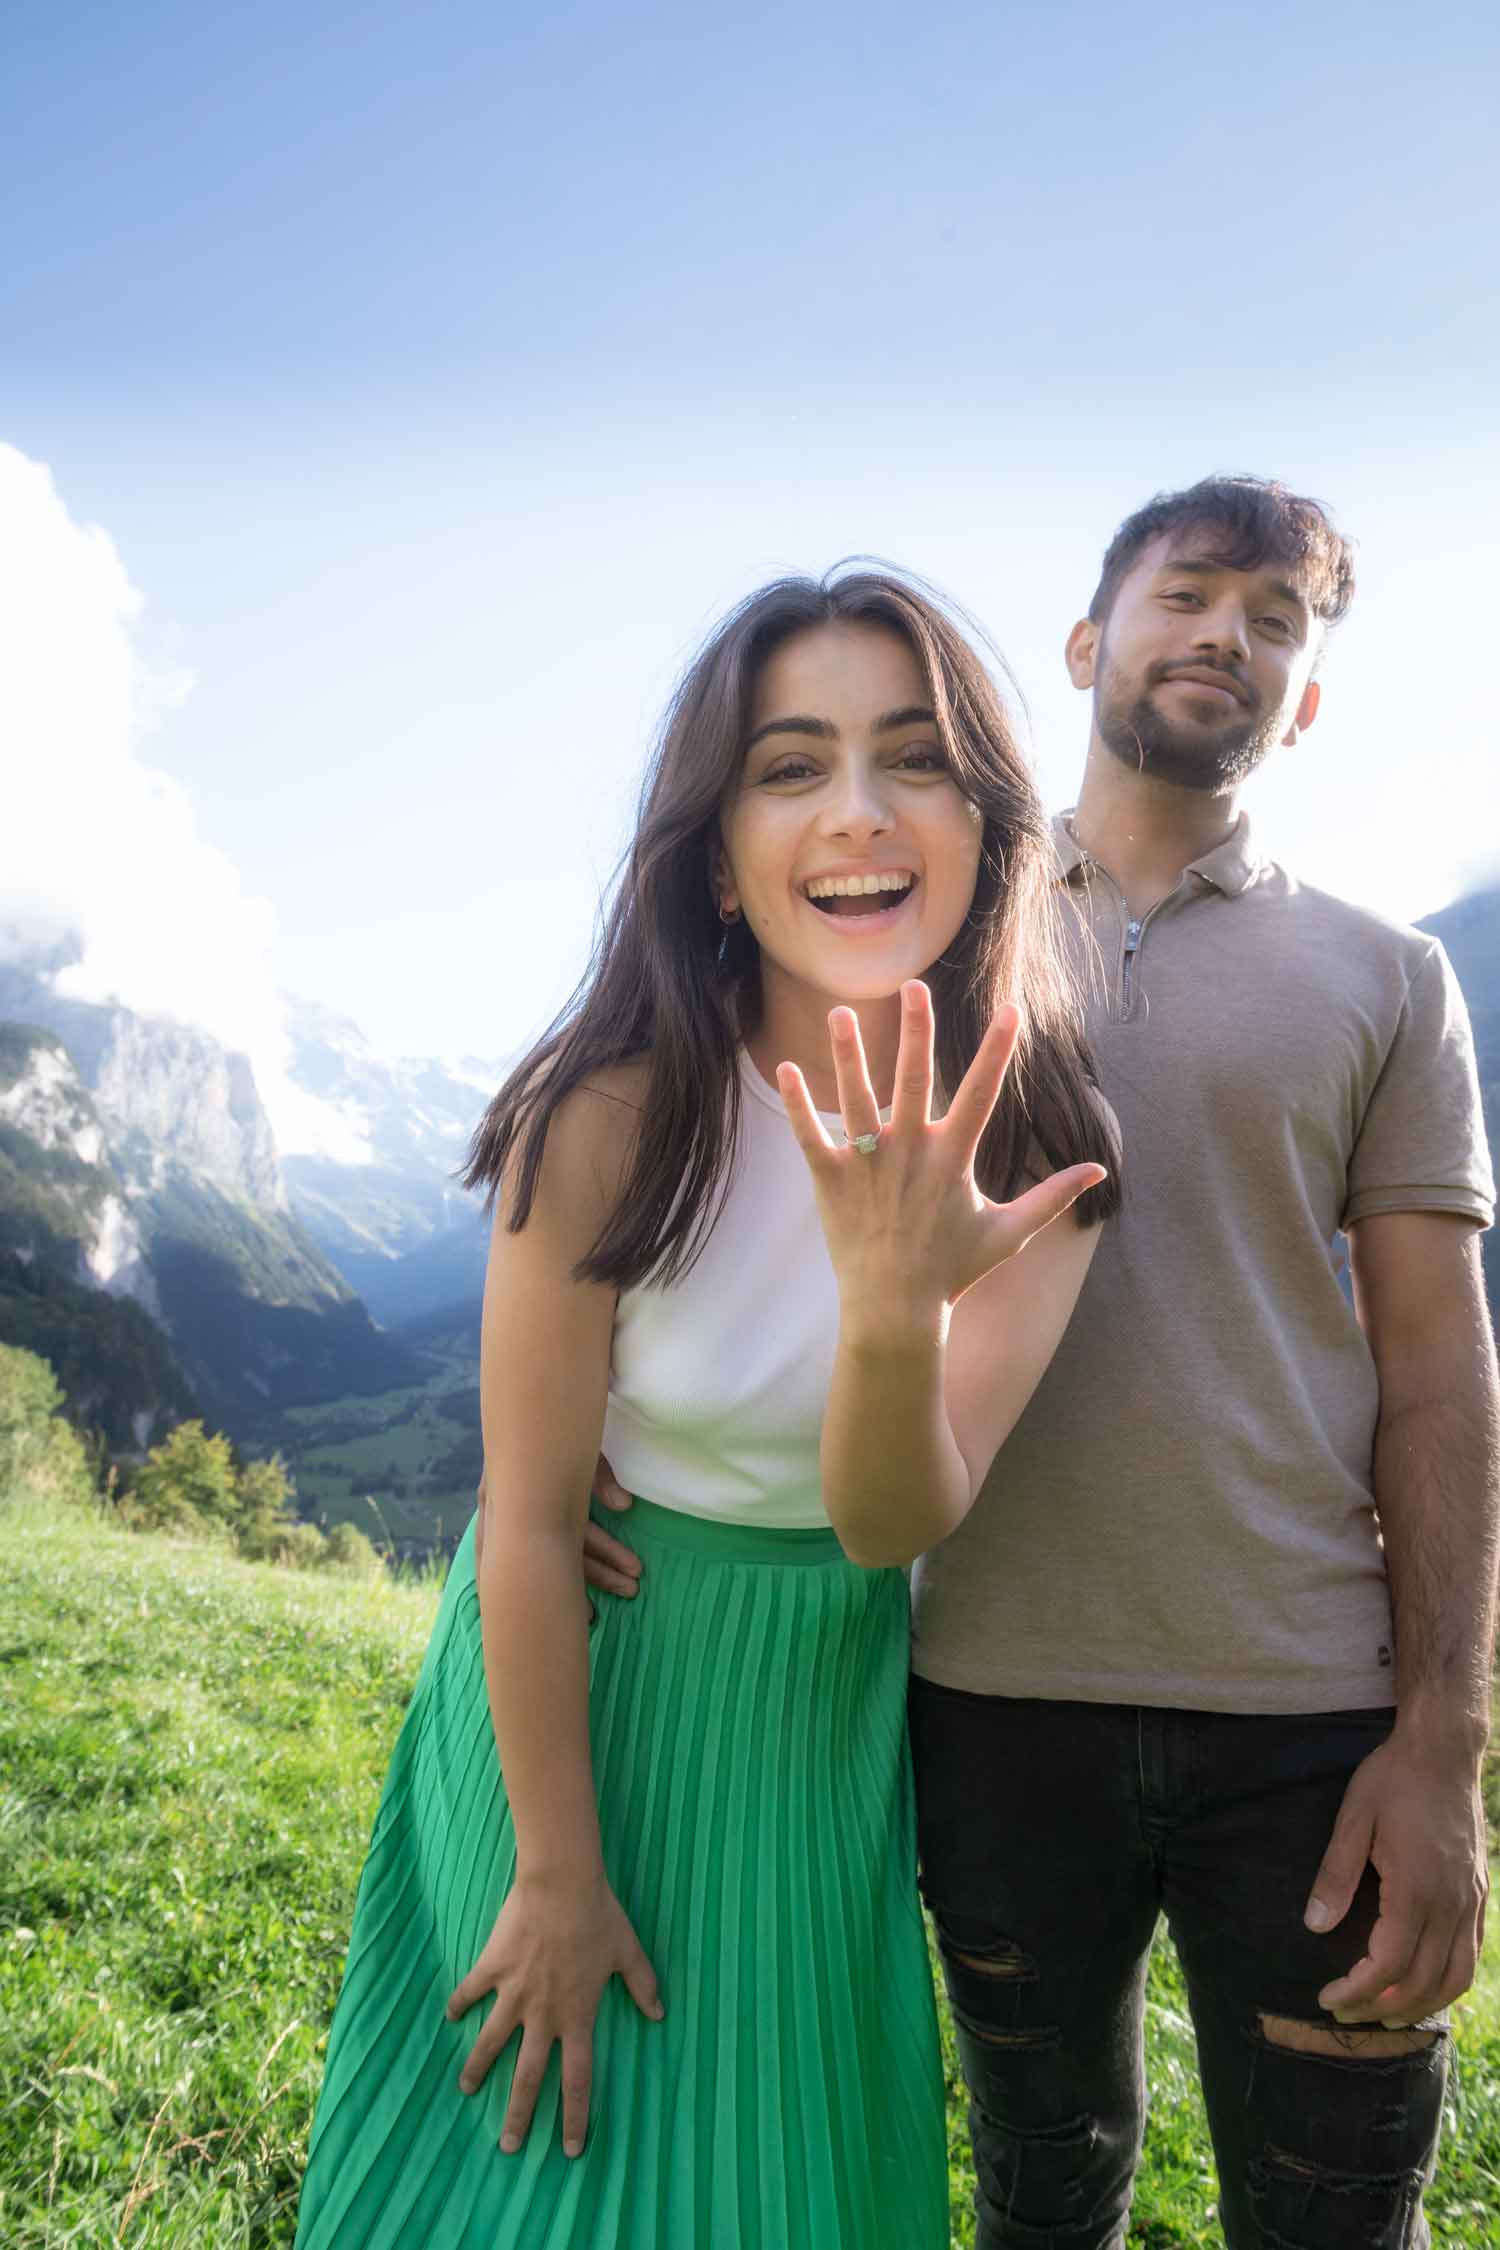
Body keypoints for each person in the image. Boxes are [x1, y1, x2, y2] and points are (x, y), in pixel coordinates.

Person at [586, 478, 1499, 2248]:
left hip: (1308, 1716)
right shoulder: (909, 920)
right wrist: (589, 1419)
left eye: (1277, 618)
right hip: (992, 1701)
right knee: (1039, 2191)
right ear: (1088, 645)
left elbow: (1443, 1371)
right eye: (1186, 592)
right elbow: (700, 1152)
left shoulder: (1387, 980)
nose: (1225, 632)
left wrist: (1446, 1738)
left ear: (1305, 697)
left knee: (1337, 2211)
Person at [292, 568, 1118, 2250]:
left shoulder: (1042, 1138)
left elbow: (892, 1519)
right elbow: (522, 1516)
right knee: (540, 2167)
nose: (860, 813)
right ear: (722, 853)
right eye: (791, 765)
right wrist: (555, 1871)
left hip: (815, 1703)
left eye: (915, 757)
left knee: (790, 2170)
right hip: (575, 1679)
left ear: (988, 817)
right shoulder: (608, 1108)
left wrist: (894, 1297)